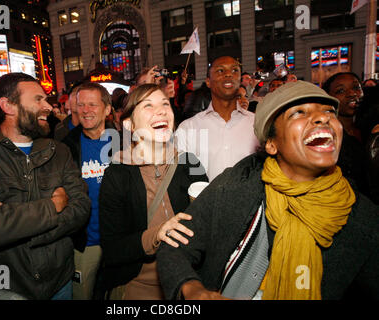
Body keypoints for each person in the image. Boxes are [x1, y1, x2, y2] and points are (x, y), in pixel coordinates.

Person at [157, 80, 379, 300]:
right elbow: (175, 247)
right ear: (272, 144)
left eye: (329, 111)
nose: (323, 118)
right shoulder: (235, 186)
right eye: (299, 112)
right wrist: (192, 288)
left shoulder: (362, 218)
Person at [0, 73, 91, 300]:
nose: (49, 107)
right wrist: (53, 205)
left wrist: (14, 226)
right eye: (38, 99)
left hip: (59, 281)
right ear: (8, 106)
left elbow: (81, 209)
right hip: (4, 286)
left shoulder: (59, 151)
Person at [99, 83, 208, 300]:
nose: (161, 111)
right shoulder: (118, 174)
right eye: (148, 106)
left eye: (165, 104)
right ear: (129, 124)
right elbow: (113, 251)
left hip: (189, 283)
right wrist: (157, 234)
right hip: (139, 288)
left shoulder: (189, 163)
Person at [61, 82, 117, 300]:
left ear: (107, 109)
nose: (85, 110)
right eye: (81, 104)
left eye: (92, 105)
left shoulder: (125, 142)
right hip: (86, 241)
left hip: (120, 239)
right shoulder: (65, 147)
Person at [176, 55, 259, 181]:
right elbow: (179, 179)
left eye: (234, 70)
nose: (228, 74)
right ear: (208, 82)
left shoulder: (257, 124)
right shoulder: (188, 129)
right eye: (220, 70)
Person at [322, 72, 369, 195]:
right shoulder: (327, 139)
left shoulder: (369, 129)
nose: (352, 94)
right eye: (340, 91)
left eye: (356, 88)